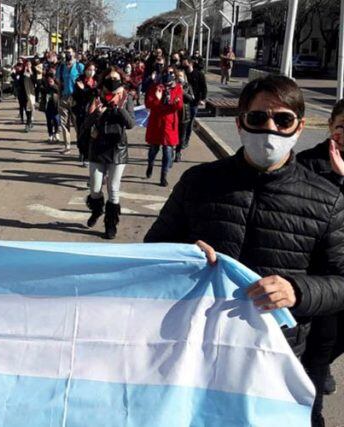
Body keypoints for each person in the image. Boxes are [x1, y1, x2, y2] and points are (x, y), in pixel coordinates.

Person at [145, 75, 344, 427]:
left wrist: (297, 290)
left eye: (282, 120)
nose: (270, 129)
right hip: (197, 353)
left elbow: (341, 282)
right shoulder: (199, 182)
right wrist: (184, 255)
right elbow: (152, 251)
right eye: (257, 118)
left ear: (299, 128)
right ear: (240, 124)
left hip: (278, 359)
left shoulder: (328, 200)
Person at [296, 99, 344, 427]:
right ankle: (310, 416)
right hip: (321, 281)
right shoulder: (308, 164)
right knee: (313, 359)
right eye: (341, 128)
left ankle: (324, 363)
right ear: (330, 126)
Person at [80, 67, 135, 239]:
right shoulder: (97, 97)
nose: (113, 82)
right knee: (95, 189)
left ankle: (110, 225)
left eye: (116, 79)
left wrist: (119, 108)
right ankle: (97, 211)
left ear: (122, 81)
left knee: (113, 188)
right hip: (98, 147)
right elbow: (86, 124)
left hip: (118, 150)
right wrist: (98, 112)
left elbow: (131, 123)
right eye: (110, 78)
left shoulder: (126, 98)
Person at [145, 65, 183, 187]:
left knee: (167, 150)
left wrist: (176, 104)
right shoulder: (155, 87)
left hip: (169, 123)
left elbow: (179, 105)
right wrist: (157, 98)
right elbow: (148, 104)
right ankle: (150, 164)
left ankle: (163, 175)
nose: (168, 74)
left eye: (171, 73)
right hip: (157, 122)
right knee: (153, 149)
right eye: (166, 72)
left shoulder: (177, 88)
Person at [56, 47, 85, 153]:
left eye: (69, 52)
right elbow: (59, 82)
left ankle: (80, 145)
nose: (67, 54)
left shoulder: (79, 66)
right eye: (66, 52)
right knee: (64, 123)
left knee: (77, 123)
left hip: (76, 98)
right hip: (64, 98)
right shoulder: (62, 67)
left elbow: (85, 81)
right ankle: (67, 146)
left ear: (74, 53)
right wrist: (59, 97)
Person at [72, 62, 99, 164]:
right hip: (81, 111)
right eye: (89, 70)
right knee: (81, 132)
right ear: (85, 70)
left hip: (93, 111)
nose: (91, 72)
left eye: (93, 70)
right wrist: (84, 89)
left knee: (91, 133)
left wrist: (87, 88)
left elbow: (98, 94)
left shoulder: (96, 81)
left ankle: (87, 155)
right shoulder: (79, 81)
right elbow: (76, 96)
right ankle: (82, 151)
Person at [182, 57, 207, 159]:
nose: (184, 66)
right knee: (184, 122)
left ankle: (186, 140)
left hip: (194, 102)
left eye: (186, 64)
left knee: (190, 121)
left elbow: (204, 87)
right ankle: (181, 139)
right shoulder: (183, 74)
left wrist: (202, 99)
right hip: (184, 102)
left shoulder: (199, 74)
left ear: (190, 64)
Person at [174, 69, 195, 162]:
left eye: (181, 76)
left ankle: (178, 152)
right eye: (178, 76)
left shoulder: (187, 86)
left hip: (184, 114)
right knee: (172, 134)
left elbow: (191, 98)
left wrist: (182, 92)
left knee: (181, 136)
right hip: (173, 114)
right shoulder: (172, 85)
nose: (179, 78)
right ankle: (169, 152)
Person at [13, 61, 36, 132]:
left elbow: (35, 81)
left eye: (29, 64)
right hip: (22, 93)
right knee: (24, 108)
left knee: (28, 108)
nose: (28, 66)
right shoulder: (22, 73)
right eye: (26, 65)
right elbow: (17, 81)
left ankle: (28, 123)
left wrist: (31, 72)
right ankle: (28, 122)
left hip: (30, 93)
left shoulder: (33, 71)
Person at [41, 75, 62, 143]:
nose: (50, 80)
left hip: (56, 106)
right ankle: (50, 134)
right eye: (48, 79)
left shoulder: (57, 87)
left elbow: (59, 92)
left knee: (56, 121)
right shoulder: (46, 88)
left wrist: (53, 86)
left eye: (51, 79)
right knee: (49, 122)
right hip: (48, 107)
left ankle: (56, 133)